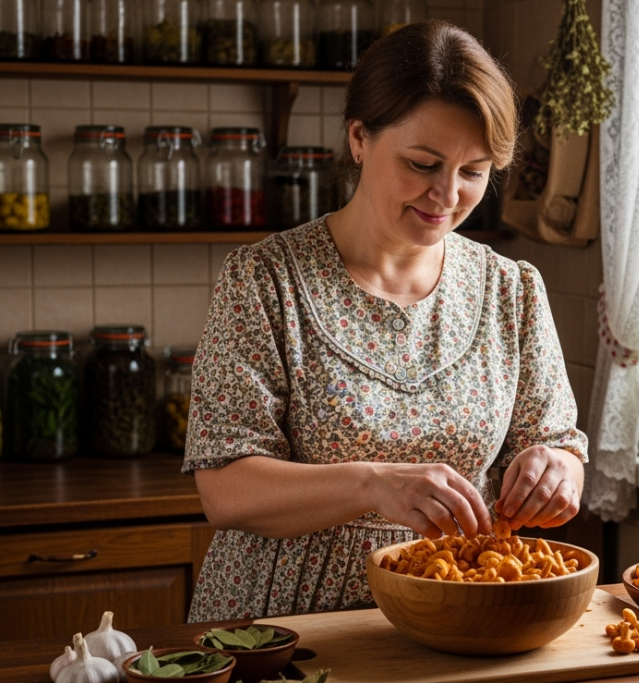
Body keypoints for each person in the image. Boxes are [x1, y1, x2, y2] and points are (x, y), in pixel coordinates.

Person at [182, 20, 589, 621]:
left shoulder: (513, 290)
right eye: (423, 164)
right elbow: (224, 491)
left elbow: (558, 445)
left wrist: (557, 470)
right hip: (283, 623)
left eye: (473, 172)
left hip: (455, 618)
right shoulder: (264, 281)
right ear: (359, 139)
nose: (446, 195)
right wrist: (372, 484)